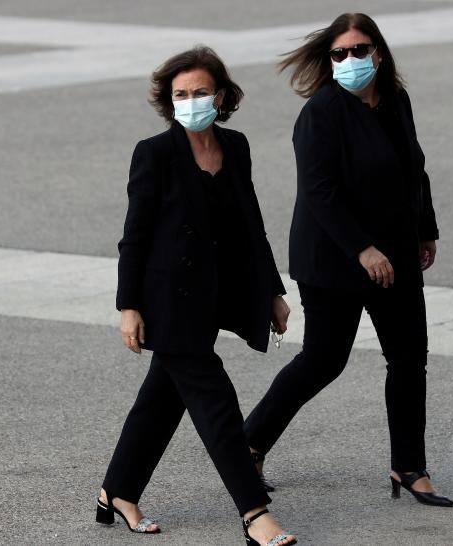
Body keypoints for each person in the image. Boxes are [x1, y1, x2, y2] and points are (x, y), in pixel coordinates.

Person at [243, 13, 453, 508]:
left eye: (360, 50)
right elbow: (319, 192)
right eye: (340, 53)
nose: (350, 60)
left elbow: (414, 170)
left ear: (378, 53)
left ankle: (409, 466)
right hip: (334, 260)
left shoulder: (396, 101)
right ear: (329, 59)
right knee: (323, 359)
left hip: (396, 255)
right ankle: (247, 444)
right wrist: (363, 248)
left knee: (409, 360)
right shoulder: (321, 112)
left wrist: (425, 230)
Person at [96, 46, 298, 546]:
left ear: (221, 95)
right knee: (216, 403)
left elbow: (252, 225)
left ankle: (116, 491)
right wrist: (128, 307)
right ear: (169, 101)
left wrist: (272, 291)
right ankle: (255, 514)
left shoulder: (237, 147)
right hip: (167, 301)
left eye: (200, 92)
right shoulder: (155, 154)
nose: (190, 101)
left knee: (160, 402)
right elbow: (134, 236)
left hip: (211, 299)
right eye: (180, 94)